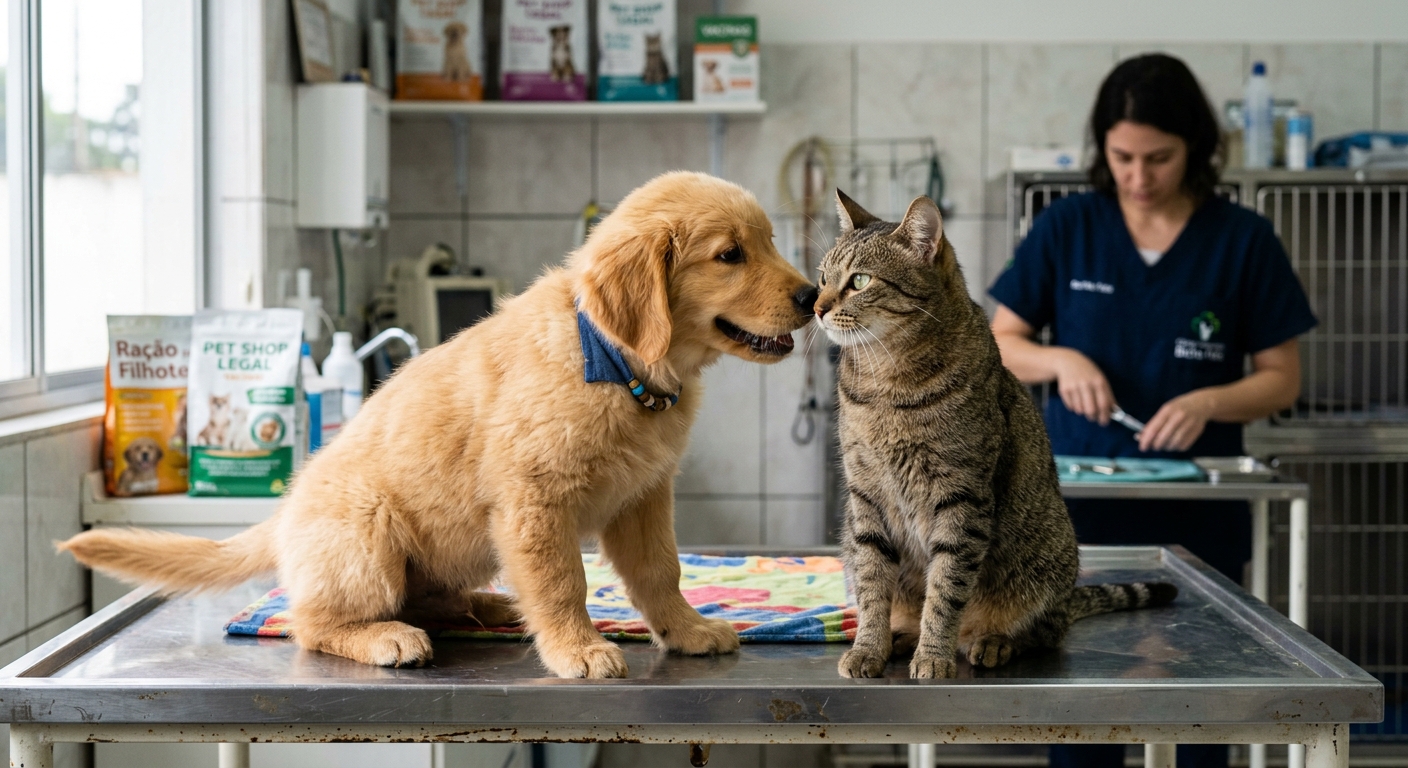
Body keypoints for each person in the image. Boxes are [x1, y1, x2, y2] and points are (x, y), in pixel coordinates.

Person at [987, 53, 1317, 768]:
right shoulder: (1069, 226)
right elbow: (1000, 343)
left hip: (1198, 520)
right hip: (1076, 516)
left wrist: (1211, 399)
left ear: (1195, 147)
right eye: (1123, 158)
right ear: (1103, 150)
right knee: (1081, 717)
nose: (1139, 177)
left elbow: (1282, 378)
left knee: (1199, 714)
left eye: (1159, 158)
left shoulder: (1242, 240)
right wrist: (1061, 360)